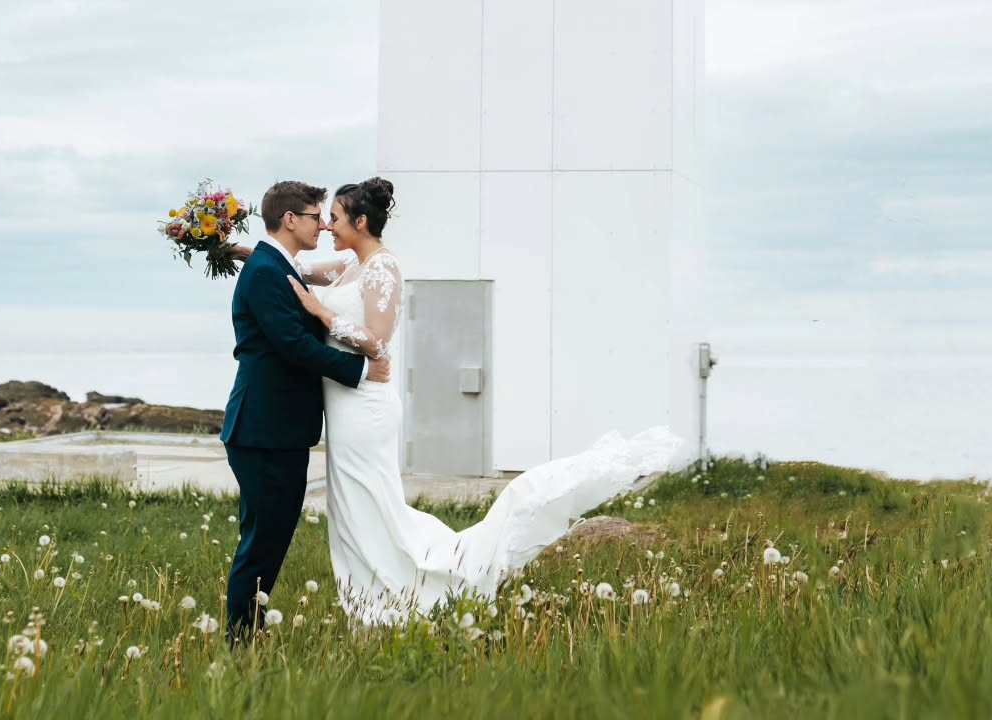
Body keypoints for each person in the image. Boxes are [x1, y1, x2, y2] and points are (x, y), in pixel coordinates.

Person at [285, 176, 683, 624]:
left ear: (360, 221)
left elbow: (377, 341)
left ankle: (400, 597)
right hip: (344, 409)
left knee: (371, 507)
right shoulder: (348, 267)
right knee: (352, 508)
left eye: (334, 219)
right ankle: (369, 601)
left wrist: (322, 312)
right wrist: (222, 245)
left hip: (366, 408)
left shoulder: (382, 268)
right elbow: (292, 267)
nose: (326, 228)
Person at [219, 180, 390, 643]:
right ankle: (240, 640)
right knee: (261, 543)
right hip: (264, 430)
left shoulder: (277, 264)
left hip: (279, 430)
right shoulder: (265, 271)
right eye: (317, 216)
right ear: (290, 219)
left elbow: (317, 292)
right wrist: (358, 371)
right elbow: (292, 345)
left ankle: (246, 633)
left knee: (269, 539)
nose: (323, 224)